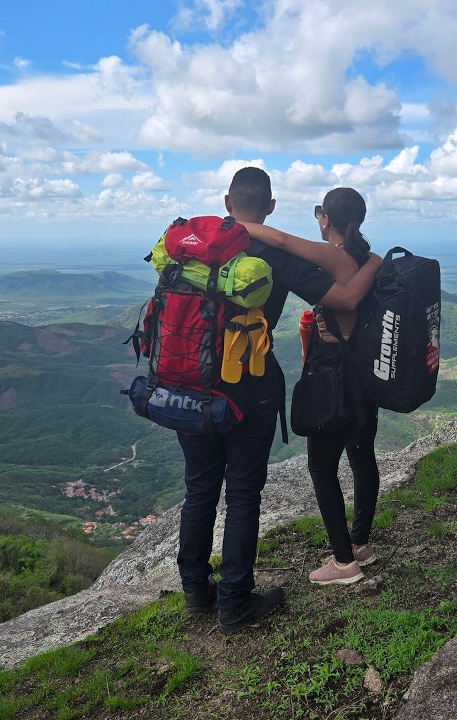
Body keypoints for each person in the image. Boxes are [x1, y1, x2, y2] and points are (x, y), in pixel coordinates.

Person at [176, 168, 380, 634]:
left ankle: (195, 591)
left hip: (187, 381)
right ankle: (234, 601)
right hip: (247, 386)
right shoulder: (271, 253)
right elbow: (344, 296)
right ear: (270, 206)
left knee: (200, 488)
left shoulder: (193, 245)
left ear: (227, 202)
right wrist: (374, 264)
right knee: (242, 492)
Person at [239, 187, 381, 586]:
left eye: (319, 213)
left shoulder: (336, 255)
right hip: (364, 374)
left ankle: (343, 562)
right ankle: (360, 544)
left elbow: (281, 240)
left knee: (321, 467)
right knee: (362, 458)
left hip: (333, 374)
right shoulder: (368, 258)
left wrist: (235, 224)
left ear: (326, 218)